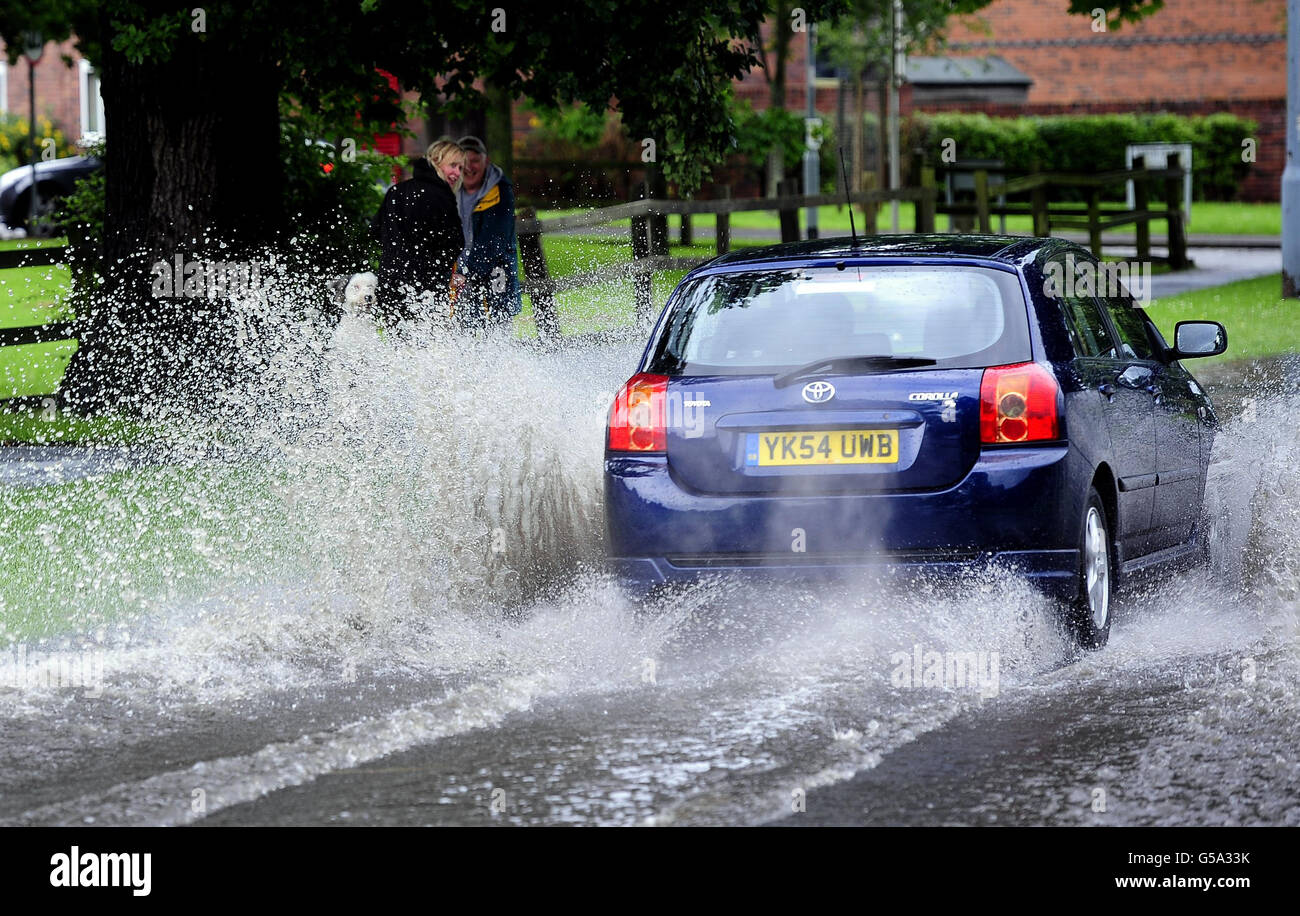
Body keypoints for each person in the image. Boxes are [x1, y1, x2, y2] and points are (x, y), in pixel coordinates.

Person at [370, 139, 466, 326]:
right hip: (426, 287)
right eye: (453, 165)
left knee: (398, 347)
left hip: (390, 283)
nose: (457, 173)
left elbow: (375, 231)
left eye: (460, 168)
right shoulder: (442, 196)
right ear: (436, 162)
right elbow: (454, 242)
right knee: (428, 347)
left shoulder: (396, 191)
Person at [453, 136, 522, 330]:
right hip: (461, 276)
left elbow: (494, 241)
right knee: (461, 330)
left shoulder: (499, 191)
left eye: (474, 161)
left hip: (495, 273)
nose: (469, 167)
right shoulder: (452, 189)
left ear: (486, 161)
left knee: (497, 331)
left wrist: (466, 274)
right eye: (464, 161)